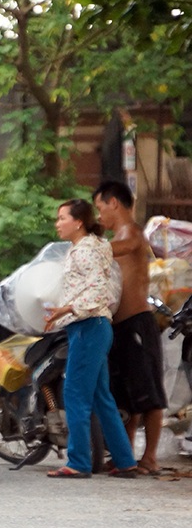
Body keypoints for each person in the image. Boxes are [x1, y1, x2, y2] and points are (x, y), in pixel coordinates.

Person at [43, 198, 138, 478]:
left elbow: (97, 290)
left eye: (62, 218)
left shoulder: (84, 251)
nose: (58, 223)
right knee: (100, 396)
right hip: (96, 327)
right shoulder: (97, 245)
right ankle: (124, 460)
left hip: (88, 326)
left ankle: (79, 462)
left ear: (78, 222)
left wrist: (68, 308)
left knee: (74, 393)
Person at [94, 180, 167, 476]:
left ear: (114, 203)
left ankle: (149, 457)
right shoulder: (117, 237)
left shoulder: (132, 234)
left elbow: (114, 249)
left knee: (149, 395)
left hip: (138, 323)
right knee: (125, 395)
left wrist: (86, 244)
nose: (100, 217)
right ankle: (125, 454)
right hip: (118, 326)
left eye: (101, 209)